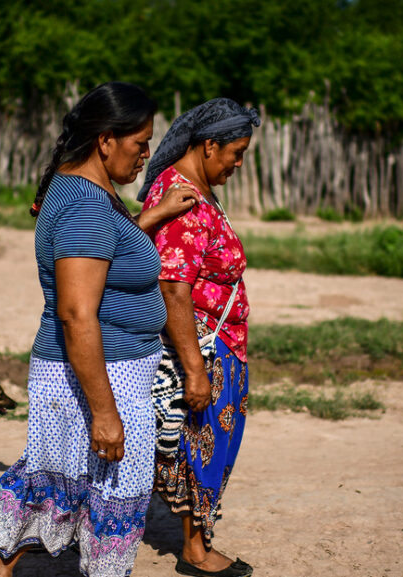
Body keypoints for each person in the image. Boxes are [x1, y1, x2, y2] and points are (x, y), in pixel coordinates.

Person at [0, 82, 198, 577]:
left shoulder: (84, 194)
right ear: (105, 140)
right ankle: (7, 552)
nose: (146, 156)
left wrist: (150, 218)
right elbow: (76, 313)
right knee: (115, 485)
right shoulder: (85, 206)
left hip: (104, 368)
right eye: (140, 144)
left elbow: (107, 257)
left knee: (70, 473)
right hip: (101, 372)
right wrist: (105, 411)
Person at [137, 98, 260, 577]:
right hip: (202, 347)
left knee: (206, 441)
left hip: (221, 342)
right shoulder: (182, 197)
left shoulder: (194, 190)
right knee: (197, 442)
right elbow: (172, 286)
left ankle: (196, 540)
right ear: (209, 146)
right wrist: (194, 368)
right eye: (236, 152)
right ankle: (194, 550)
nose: (238, 163)